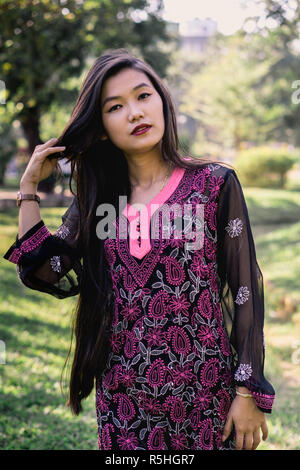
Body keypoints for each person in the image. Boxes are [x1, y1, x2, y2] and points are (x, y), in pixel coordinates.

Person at [3, 49, 275, 451]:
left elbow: (246, 290)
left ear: (163, 102)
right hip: (124, 403)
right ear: (100, 127)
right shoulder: (97, 200)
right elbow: (46, 271)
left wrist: (247, 392)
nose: (134, 113)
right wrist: (28, 190)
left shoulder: (214, 184)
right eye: (116, 106)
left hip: (207, 399)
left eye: (143, 96)